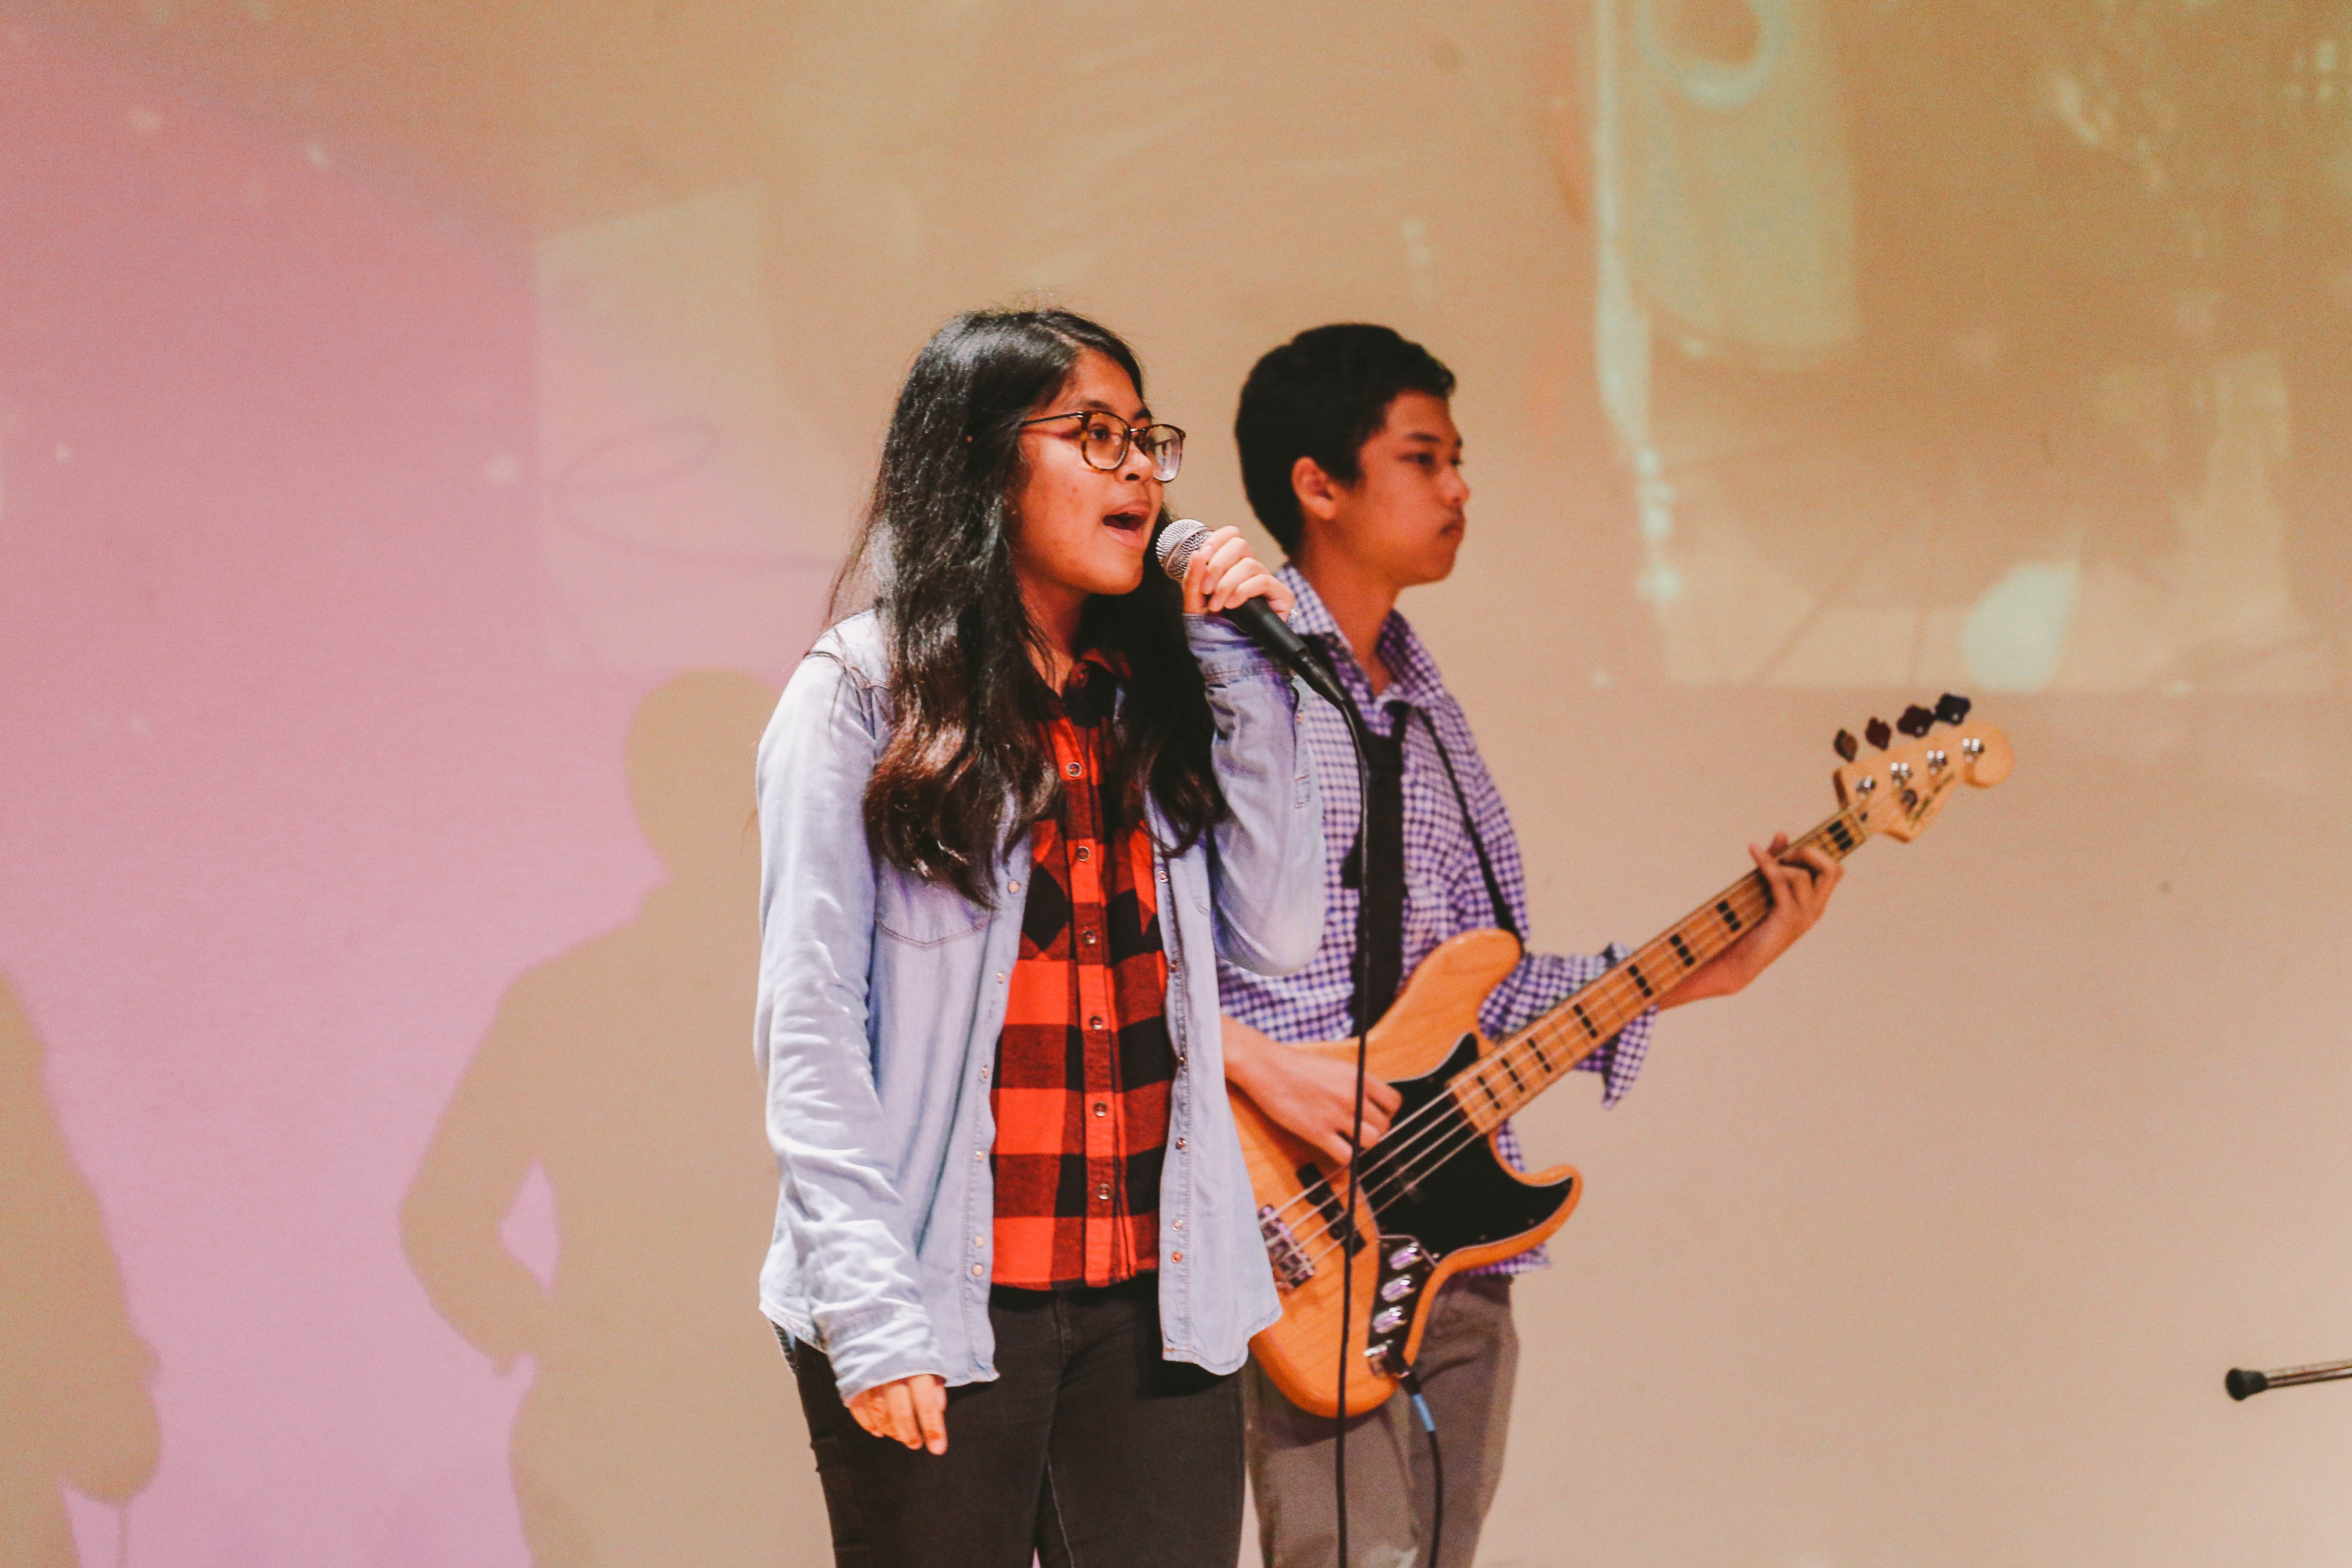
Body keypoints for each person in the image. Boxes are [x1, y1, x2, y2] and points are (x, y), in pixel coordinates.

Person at [1219, 324, 1844, 1567]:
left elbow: (1476, 984)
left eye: (1459, 459)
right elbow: (1135, 940)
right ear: (1319, 485)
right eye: (1425, 458)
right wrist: (1256, 1068)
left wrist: (1716, 965)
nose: (1459, 487)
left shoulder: (1427, 706)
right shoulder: (1227, 680)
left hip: (1459, 1234)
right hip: (1300, 1217)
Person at [753, 307, 1324, 1568]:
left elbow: (1282, 935)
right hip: (938, 1297)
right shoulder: (863, 695)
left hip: (1156, 1307)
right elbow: (812, 1025)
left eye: (1147, 440)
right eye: (1094, 435)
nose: (1139, 471)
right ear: (980, 458)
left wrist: (1243, 667)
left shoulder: (1162, 693)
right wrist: (870, 1312)